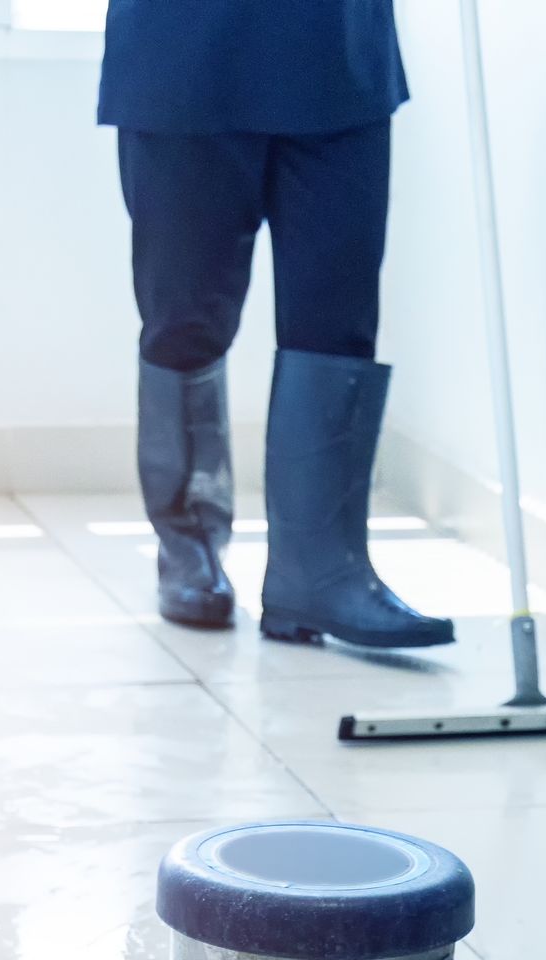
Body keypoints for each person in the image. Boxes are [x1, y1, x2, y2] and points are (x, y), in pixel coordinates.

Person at [97, 0, 454, 652]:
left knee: (337, 319)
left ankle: (319, 574)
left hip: (339, 53)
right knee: (186, 316)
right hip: (186, 54)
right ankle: (189, 547)